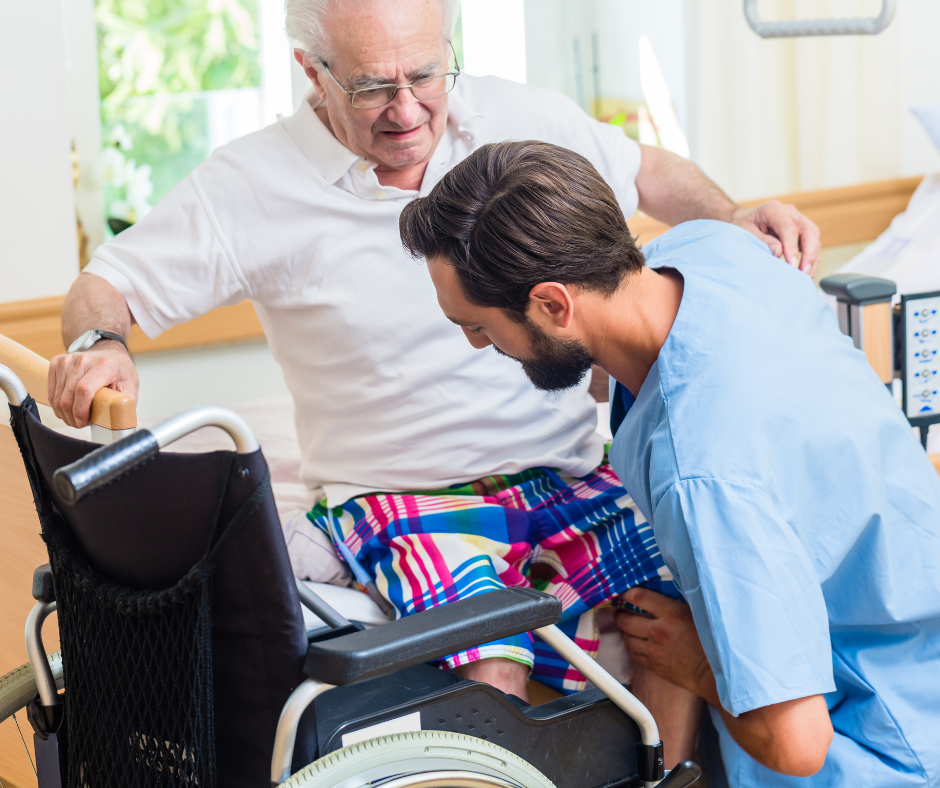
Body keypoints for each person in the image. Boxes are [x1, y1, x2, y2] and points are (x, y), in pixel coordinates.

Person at [49, 0, 818, 765]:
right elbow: (106, 283)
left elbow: (645, 171)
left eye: (424, 73)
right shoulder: (250, 184)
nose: (408, 108)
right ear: (312, 73)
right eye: (372, 87)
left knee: (672, 588)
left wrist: (733, 217)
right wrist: (99, 342)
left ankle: (666, 778)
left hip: (568, 470)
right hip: (403, 493)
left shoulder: (517, 117)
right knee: (493, 647)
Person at [401, 139, 940, 786]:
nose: (476, 343)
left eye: (482, 327)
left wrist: (696, 664)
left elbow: (799, 745)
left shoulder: (703, 469)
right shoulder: (713, 250)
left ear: (553, 304)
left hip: (890, 743)